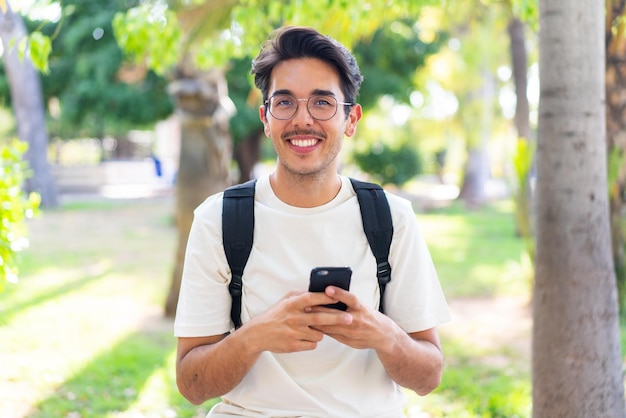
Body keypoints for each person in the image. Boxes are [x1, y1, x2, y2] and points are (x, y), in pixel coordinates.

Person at [174, 26, 451, 418]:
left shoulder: (391, 218)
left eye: (322, 102)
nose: (302, 120)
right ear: (266, 118)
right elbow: (191, 384)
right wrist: (256, 335)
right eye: (284, 102)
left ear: (351, 119)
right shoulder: (219, 219)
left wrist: (383, 334)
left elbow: (428, 377)